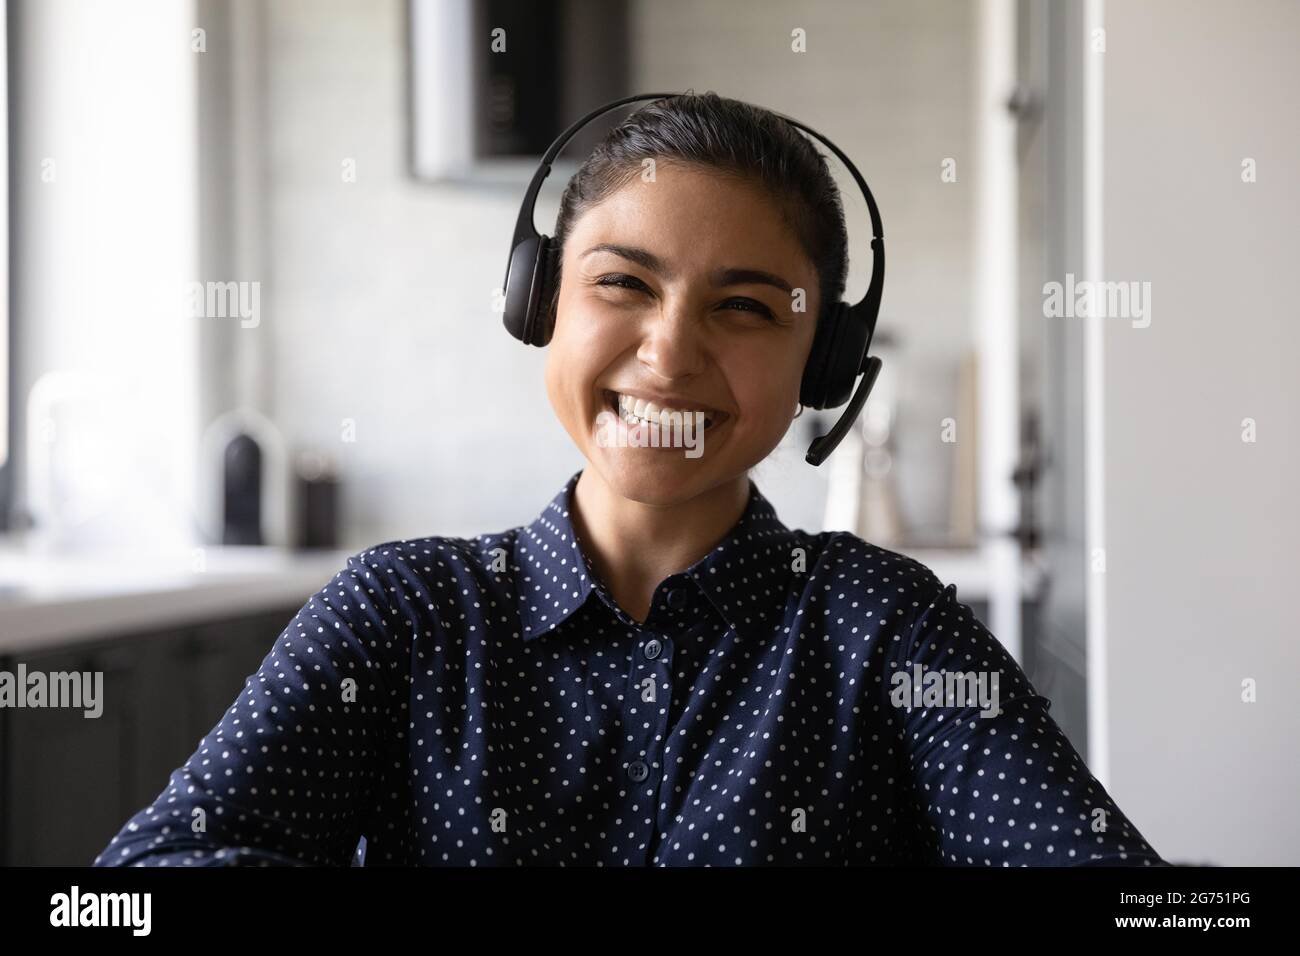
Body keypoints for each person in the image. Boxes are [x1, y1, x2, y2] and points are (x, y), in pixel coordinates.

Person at [95, 92, 1165, 867]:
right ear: (541, 302)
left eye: (745, 306)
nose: (667, 352)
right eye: (622, 283)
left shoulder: (884, 629)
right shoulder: (403, 613)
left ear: (824, 367)